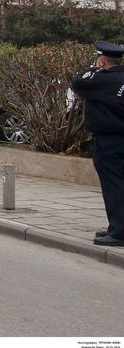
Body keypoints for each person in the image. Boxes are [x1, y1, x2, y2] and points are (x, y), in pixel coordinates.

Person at [69, 40, 124, 247]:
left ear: (102, 61)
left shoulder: (101, 80)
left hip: (109, 141)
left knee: (114, 186)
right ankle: (117, 227)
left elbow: (77, 82)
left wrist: (94, 70)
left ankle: (118, 232)